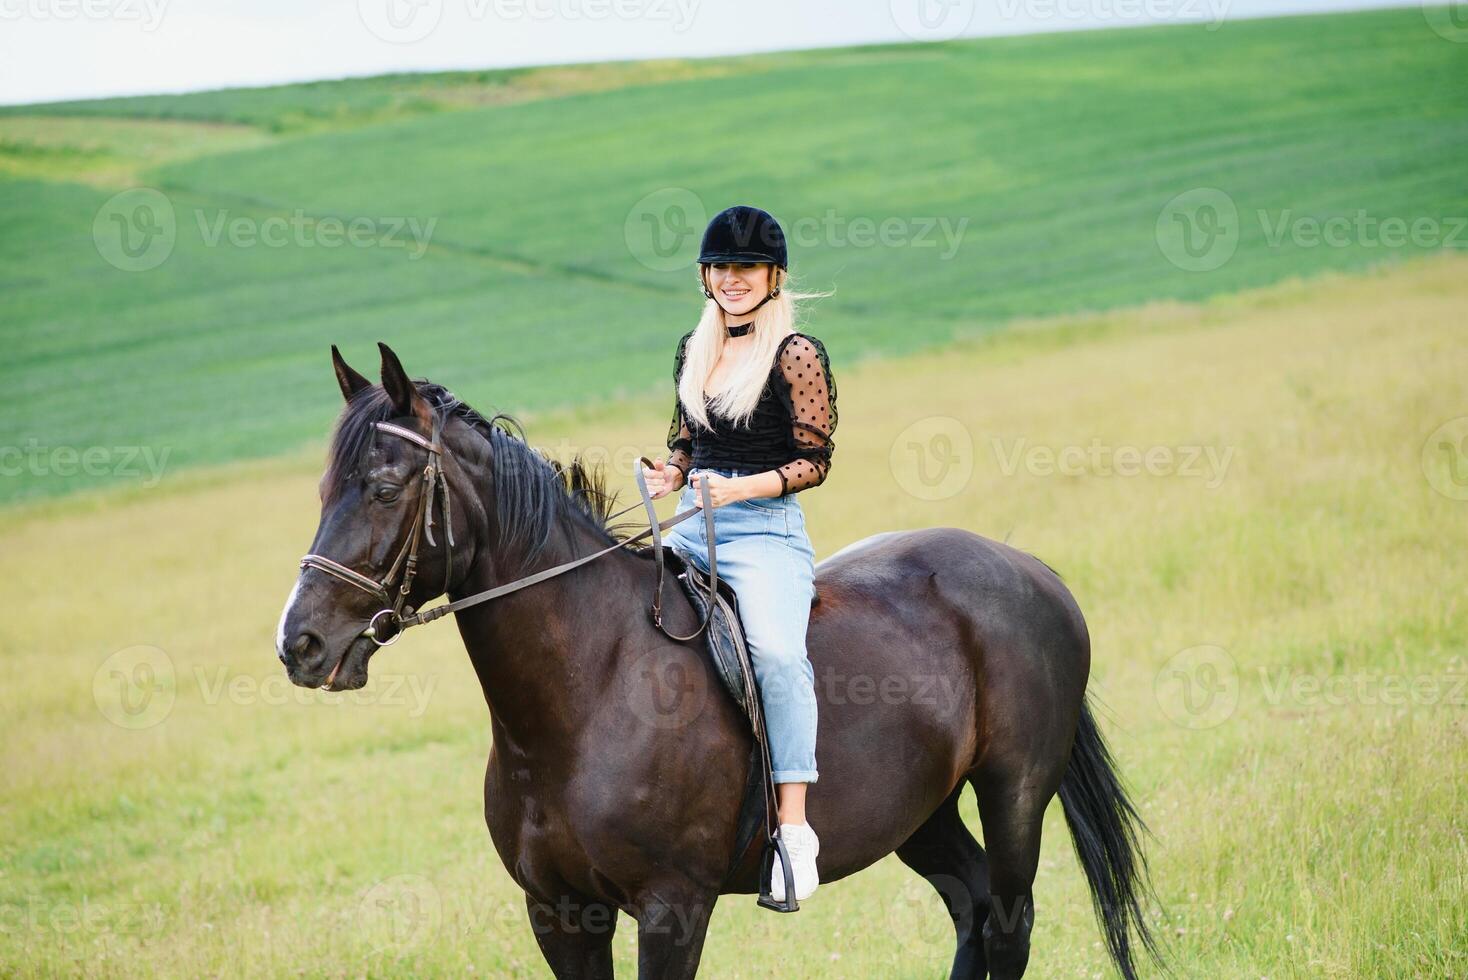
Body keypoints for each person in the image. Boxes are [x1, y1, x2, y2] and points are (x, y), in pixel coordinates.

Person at [641, 205, 837, 904]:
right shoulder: (693, 350)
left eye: (746, 268)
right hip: (694, 524)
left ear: (773, 276)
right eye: (722, 268)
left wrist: (737, 490)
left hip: (765, 535)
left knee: (780, 658)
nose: (733, 279)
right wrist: (670, 475)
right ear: (706, 275)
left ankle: (792, 832)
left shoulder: (796, 354)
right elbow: (688, 447)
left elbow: (814, 461)